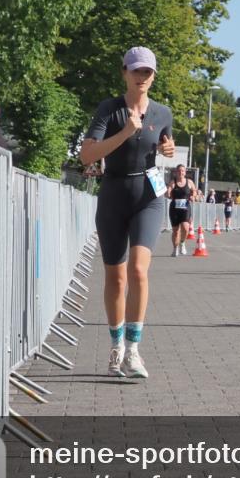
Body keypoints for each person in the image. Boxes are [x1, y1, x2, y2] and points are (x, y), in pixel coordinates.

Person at [80, 46, 174, 379]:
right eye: (136, 71)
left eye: (147, 72)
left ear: (153, 76)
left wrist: (168, 148)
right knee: (116, 277)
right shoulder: (109, 109)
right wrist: (125, 133)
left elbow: (165, 142)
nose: (141, 77)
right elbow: (87, 156)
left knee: (138, 270)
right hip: (113, 194)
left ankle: (133, 350)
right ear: (124, 72)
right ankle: (116, 346)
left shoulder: (163, 112)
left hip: (148, 196)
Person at [167, 164, 196, 256]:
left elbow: (194, 190)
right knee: (175, 231)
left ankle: (182, 243)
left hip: (185, 208)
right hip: (174, 209)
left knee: (185, 228)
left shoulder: (189, 182)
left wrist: (193, 196)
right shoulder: (173, 182)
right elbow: (168, 190)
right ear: (176, 172)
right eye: (179, 171)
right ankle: (175, 248)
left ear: (185, 172)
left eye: (182, 171)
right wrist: (168, 193)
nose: (181, 172)